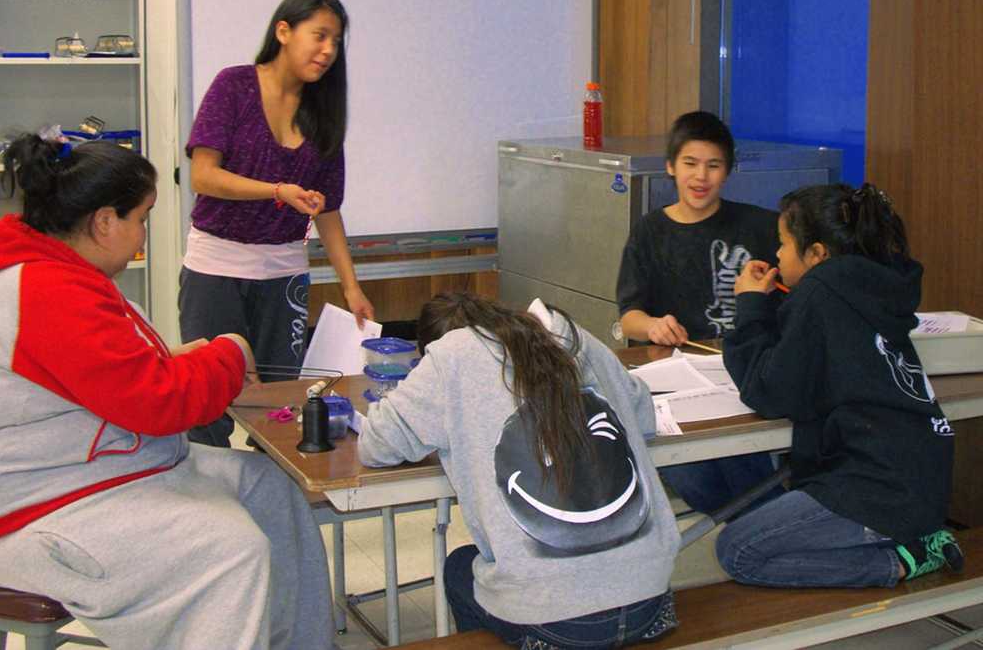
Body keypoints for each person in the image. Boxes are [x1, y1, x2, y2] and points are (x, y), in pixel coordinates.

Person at [0, 134, 336, 649]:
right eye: (141, 218)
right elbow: (160, 402)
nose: (143, 236)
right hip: (40, 508)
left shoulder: (59, 271)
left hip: (104, 473)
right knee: (232, 549)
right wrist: (231, 354)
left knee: (272, 489)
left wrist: (187, 359)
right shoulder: (42, 289)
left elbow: (115, 372)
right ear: (104, 221)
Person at [358, 292, 680, 650]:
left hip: (558, 626)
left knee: (460, 566)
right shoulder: (572, 335)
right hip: (650, 601)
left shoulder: (451, 356)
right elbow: (642, 414)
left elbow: (375, 446)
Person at [716, 183, 962, 588]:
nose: (776, 254)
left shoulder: (821, 292)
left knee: (737, 551)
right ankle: (910, 541)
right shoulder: (869, 287)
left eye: (783, 244)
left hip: (874, 486)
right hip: (914, 477)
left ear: (816, 254)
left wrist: (750, 305)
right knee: (758, 528)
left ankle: (905, 560)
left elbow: (769, 392)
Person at [180, 0, 374, 447]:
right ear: (283, 31)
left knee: (281, 405)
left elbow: (326, 209)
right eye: (319, 35)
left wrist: (352, 287)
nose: (328, 50)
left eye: (336, 41)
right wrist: (276, 192)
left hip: (284, 274)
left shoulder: (323, 113)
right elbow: (203, 177)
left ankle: (272, 501)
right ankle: (208, 506)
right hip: (215, 268)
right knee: (210, 400)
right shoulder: (234, 86)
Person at [616, 110, 783, 515]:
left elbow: (793, 290)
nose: (700, 177)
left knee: (743, 455)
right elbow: (628, 317)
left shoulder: (761, 225)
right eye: (690, 163)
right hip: (676, 381)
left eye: (713, 165)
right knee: (691, 471)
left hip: (744, 372)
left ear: (728, 171)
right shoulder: (650, 230)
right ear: (671, 167)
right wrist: (654, 326)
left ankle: (764, 525)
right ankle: (764, 524)